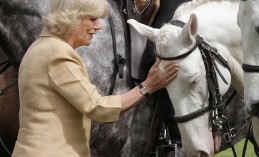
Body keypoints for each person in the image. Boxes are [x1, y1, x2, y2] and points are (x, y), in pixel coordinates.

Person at [12, 0, 179, 156]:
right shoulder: (58, 53)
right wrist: (148, 86)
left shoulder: (39, 47)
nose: (98, 26)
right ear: (71, 18)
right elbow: (97, 108)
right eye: (92, 19)